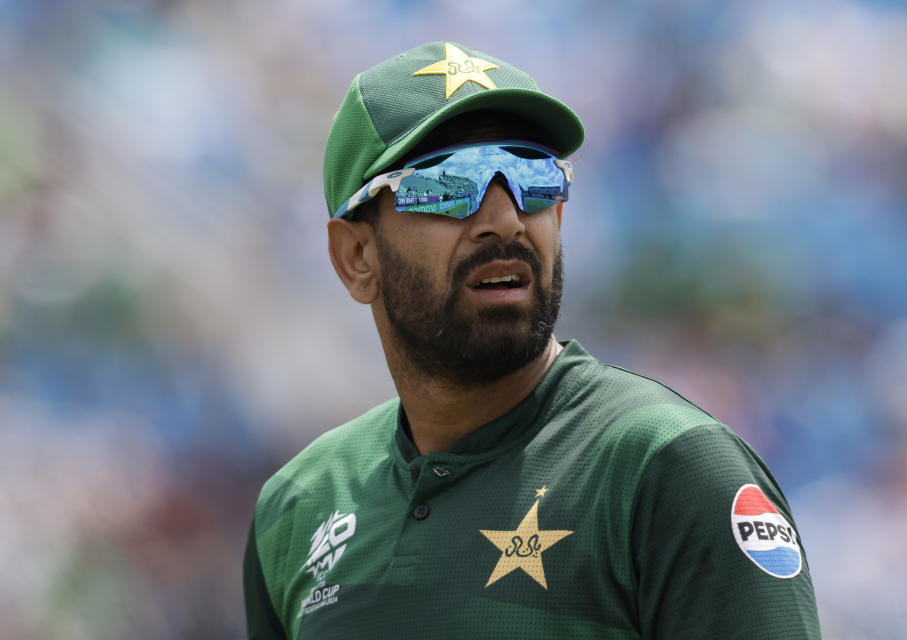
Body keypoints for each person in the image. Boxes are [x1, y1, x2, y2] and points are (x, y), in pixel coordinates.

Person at [243, 41, 821, 639]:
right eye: (448, 185)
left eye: (533, 180)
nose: (507, 221)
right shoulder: (297, 507)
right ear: (356, 256)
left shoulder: (669, 468)